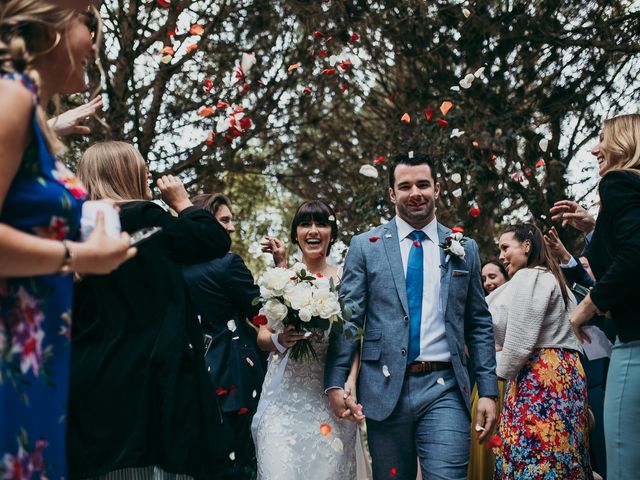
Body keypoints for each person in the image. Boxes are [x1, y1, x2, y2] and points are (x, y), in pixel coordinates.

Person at [0, 2, 133, 476]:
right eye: (88, 23)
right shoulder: (11, 95)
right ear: (52, 25)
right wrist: (78, 255)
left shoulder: (26, 110)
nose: (95, 42)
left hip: (37, 358)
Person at [325, 153, 498, 480]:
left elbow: (478, 324)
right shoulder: (366, 246)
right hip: (383, 388)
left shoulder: (464, 249)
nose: (414, 192)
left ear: (437, 189)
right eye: (405, 186)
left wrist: (488, 390)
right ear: (392, 193)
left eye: (423, 184)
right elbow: (349, 320)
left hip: (445, 387)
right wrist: (335, 382)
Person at [68, 141, 234, 479]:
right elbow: (212, 240)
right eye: (142, 167)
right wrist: (183, 203)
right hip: (151, 373)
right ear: (126, 174)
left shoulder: (71, 228)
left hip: (90, 370)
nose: (149, 173)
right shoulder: (145, 218)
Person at [556, 114, 640, 479]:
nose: (595, 149)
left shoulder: (617, 182)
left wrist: (583, 310)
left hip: (635, 343)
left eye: (602, 139)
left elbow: (635, 254)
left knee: (622, 463)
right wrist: (596, 226)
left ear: (625, 143)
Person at [252, 200, 359, 480]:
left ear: (332, 233)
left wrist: (351, 381)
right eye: (305, 224)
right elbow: (262, 335)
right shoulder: (281, 279)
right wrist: (279, 338)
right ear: (296, 234)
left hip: (328, 399)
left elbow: (355, 337)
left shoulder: (346, 279)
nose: (313, 230)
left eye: (321, 223)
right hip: (282, 400)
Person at [489, 223, 591, 478]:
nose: (501, 257)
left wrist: (497, 374)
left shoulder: (530, 277)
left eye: (505, 248)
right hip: (566, 373)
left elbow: (521, 338)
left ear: (526, 245)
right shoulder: (554, 277)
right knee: (563, 454)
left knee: (537, 453)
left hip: (540, 377)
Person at [183, 193, 266, 480]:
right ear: (204, 223)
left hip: (196, 378)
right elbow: (262, 313)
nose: (231, 227)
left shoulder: (176, 269)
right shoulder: (227, 264)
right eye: (224, 220)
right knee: (245, 460)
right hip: (237, 374)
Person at [467, 259, 509, 480]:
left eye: (493, 276)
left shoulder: (517, 295)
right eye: (484, 279)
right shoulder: (482, 302)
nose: (487, 282)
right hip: (487, 380)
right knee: (485, 443)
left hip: (511, 380)